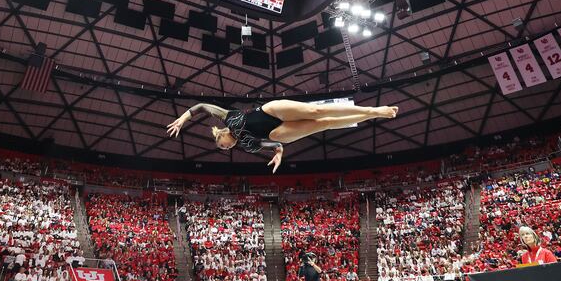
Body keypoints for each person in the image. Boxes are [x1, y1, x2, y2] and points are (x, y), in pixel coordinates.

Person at [167, 101, 398, 172]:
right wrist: (278, 154)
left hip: (270, 111)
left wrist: (183, 118)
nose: (226, 148)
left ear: (222, 136)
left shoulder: (228, 118)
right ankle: (371, 117)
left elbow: (201, 107)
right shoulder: (248, 146)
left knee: (317, 112)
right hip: (276, 132)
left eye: (223, 146)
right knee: (324, 124)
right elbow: (273, 143)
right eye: (225, 150)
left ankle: (372, 109)